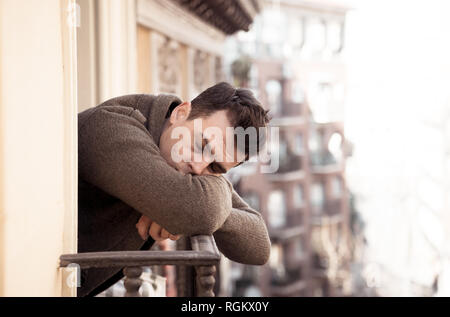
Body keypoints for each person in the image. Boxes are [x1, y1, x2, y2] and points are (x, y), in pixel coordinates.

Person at [77, 82, 272, 297]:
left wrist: (198, 209)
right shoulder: (110, 128)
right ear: (180, 113)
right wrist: (189, 208)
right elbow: (198, 206)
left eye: (216, 166)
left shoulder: (192, 171)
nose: (198, 166)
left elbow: (260, 247)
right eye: (201, 145)